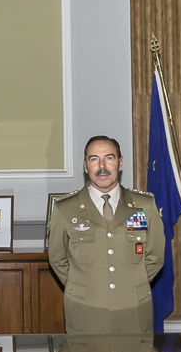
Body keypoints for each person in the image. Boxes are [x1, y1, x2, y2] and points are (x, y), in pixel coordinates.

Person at [47, 135, 165, 334]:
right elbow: (58, 259)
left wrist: (132, 285)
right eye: (94, 159)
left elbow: (155, 257)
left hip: (133, 311)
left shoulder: (143, 206)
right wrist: (83, 287)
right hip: (86, 313)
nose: (102, 166)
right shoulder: (65, 209)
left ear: (120, 163)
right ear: (85, 166)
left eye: (109, 158)